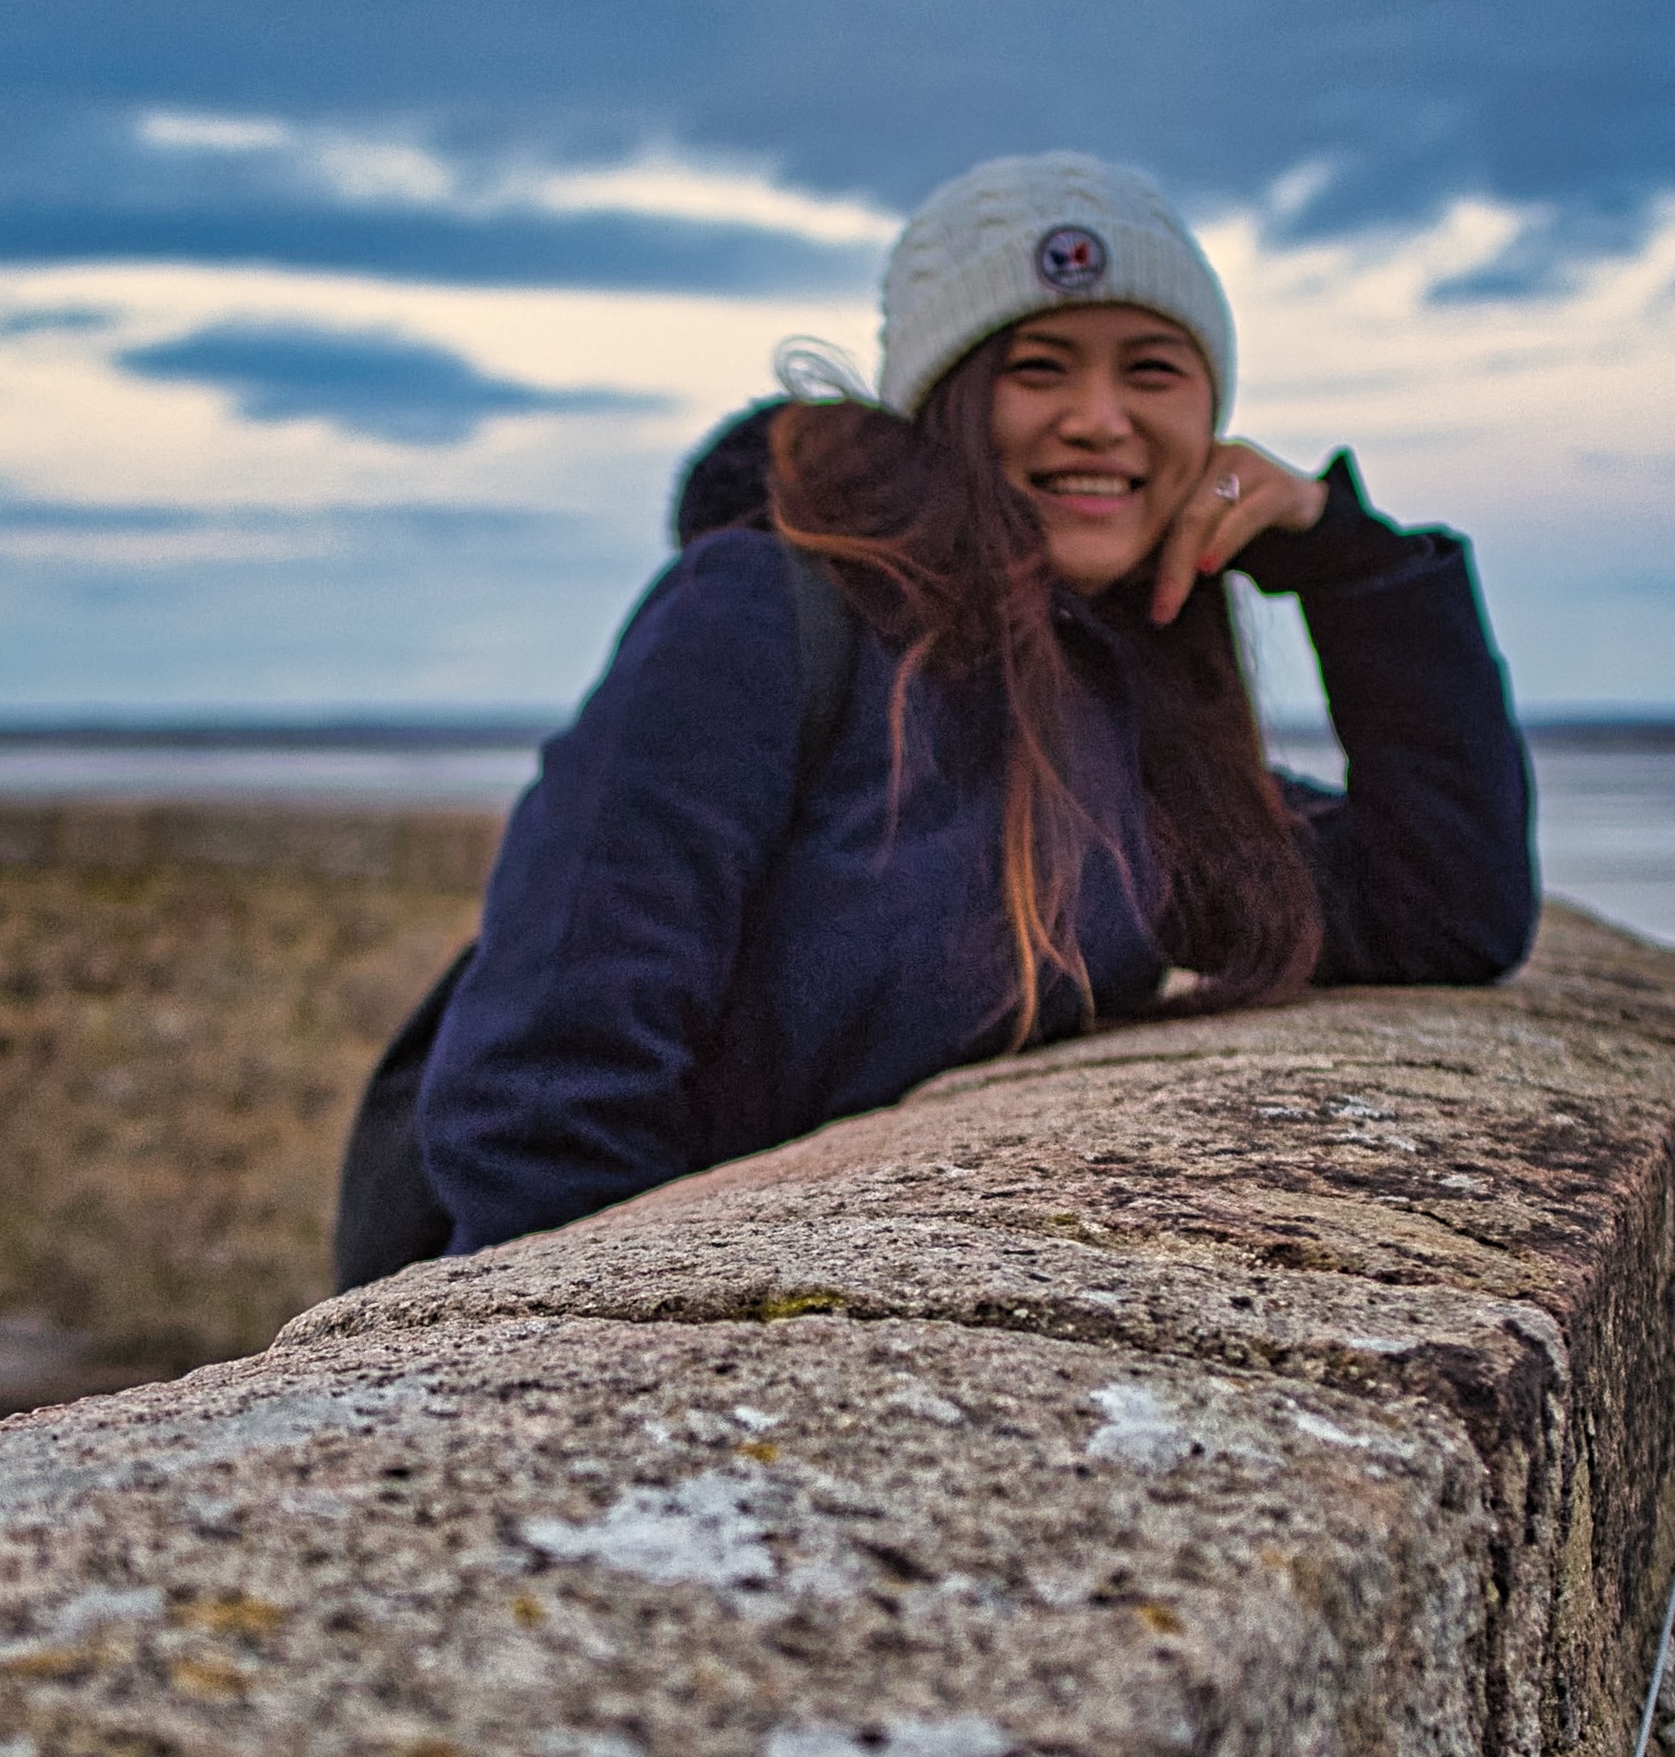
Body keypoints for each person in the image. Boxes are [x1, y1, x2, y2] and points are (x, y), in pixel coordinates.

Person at [390, 152, 1535, 1267]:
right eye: (1037, 368)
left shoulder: (1123, 714)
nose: (1098, 418)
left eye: (1151, 370)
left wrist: (1340, 553)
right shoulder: (762, 613)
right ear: (943, 402)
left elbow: (1440, 908)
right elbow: (540, 1086)